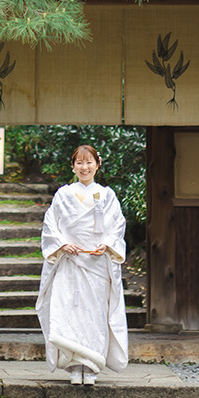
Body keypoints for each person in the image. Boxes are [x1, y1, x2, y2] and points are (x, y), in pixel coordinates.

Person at [36, 144, 129, 385]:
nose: (84, 167)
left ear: (97, 165)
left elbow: (118, 225)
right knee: (68, 310)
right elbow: (50, 224)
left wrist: (107, 244)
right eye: (79, 162)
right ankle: (74, 365)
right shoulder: (63, 195)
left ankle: (92, 364)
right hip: (70, 262)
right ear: (73, 166)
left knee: (95, 314)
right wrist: (62, 244)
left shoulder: (107, 196)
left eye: (89, 162)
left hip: (97, 263)